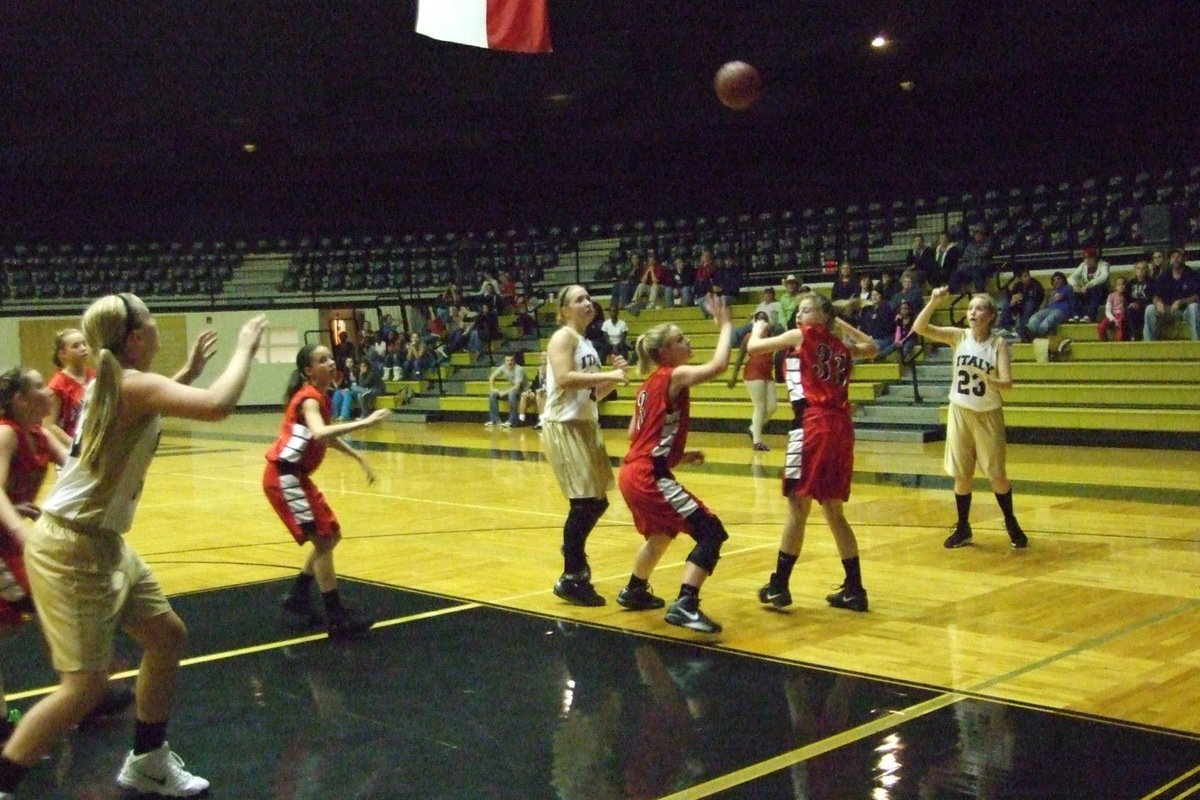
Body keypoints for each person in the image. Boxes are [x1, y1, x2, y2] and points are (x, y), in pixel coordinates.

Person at [0, 294, 266, 799]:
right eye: (150, 318)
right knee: (84, 688)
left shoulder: (114, 382)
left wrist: (185, 372)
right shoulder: (127, 383)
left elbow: (152, 403)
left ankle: (148, 760)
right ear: (137, 338)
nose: (157, 323)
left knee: (167, 636)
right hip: (73, 549)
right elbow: (217, 406)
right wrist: (246, 348)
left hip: (102, 542)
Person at [748, 294, 878, 612]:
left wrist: (758, 326)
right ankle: (854, 588)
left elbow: (753, 349)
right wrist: (839, 323)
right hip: (841, 428)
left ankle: (779, 585)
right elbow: (873, 347)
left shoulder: (802, 336)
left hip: (812, 425)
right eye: (799, 309)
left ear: (821, 317)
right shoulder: (840, 346)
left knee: (797, 505)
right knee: (834, 511)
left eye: (807, 309)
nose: (799, 314)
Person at [615, 296, 734, 633]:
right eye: (680, 339)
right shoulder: (673, 374)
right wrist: (725, 325)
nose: (688, 341)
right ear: (663, 354)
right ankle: (685, 603)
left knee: (661, 533)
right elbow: (719, 367)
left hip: (632, 471)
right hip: (648, 474)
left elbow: (633, 433)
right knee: (712, 532)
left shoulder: (646, 386)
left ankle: (635, 590)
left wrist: (678, 455)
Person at [267, 344, 391, 641]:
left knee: (331, 534)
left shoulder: (319, 397)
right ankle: (336, 617)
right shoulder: (309, 399)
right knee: (323, 540)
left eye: (330, 358)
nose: (330, 363)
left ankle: (298, 595)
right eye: (322, 360)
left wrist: (358, 457)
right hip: (285, 477)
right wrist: (365, 422)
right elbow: (320, 433)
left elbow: (326, 437)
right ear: (308, 371)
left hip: (295, 476)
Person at [912, 287, 1028, 549]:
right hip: (960, 411)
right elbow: (920, 327)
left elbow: (1008, 383)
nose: (973, 312)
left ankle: (1010, 521)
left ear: (990, 316)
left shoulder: (998, 344)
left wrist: (992, 380)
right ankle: (963, 527)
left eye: (979, 308)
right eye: (970, 308)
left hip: (988, 414)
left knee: (997, 475)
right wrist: (933, 301)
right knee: (961, 474)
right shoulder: (958, 336)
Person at [541, 285, 629, 607]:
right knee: (583, 503)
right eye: (579, 299)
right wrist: (608, 374)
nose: (587, 302)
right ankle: (571, 576)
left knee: (598, 501)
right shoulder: (563, 337)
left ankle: (572, 547)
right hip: (564, 426)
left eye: (588, 298)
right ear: (564, 311)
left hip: (585, 423)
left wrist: (614, 378)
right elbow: (564, 379)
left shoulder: (588, 343)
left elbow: (592, 395)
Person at [43, 329, 94, 449]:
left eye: (84, 344)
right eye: (75, 346)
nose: (83, 348)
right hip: (70, 450)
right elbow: (49, 425)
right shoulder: (57, 385)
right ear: (62, 354)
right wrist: (75, 446)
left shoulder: (94, 377)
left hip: (94, 445)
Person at [1144, 248, 1199, 341]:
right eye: (1173, 257)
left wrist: (1181, 302)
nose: (1175, 259)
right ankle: (1149, 347)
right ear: (1170, 260)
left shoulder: (1192, 274)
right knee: (1150, 309)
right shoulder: (1165, 275)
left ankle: (1197, 345)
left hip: (1185, 311)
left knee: (1194, 307)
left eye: (1178, 257)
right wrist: (1158, 302)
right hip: (1168, 310)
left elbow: (1197, 297)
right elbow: (1156, 295)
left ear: (1184, 259)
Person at [742, 312, 777, 451]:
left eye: (765, 319)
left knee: (772, 406)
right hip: (753, 372)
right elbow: (740, 357)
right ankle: (757, 441)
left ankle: (752, 428)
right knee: (760, 407)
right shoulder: (749, 337)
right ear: (754, 322)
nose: (763, 321)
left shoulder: (772, 337)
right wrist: (733, 376)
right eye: (759, 319)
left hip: (767, 373)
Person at [997, 266, 1045, 340]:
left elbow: (1035, 298)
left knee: (1029, 304)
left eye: (1028, 275)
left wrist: (1022, 297)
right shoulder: (1018, 285)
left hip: (1033, 304)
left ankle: (1023, 329)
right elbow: (1011, 295)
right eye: (1025, 276)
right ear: (1020, 278)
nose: (1027, 278)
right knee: (1006, 303)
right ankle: (1005, 327)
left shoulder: (1035, 284)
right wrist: (1012, 300)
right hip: (1021, 304)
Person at [1025, 271, 1075, 341]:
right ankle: (1033, 336)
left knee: (1044, 324)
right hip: (1049, 309)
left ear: (1063, 280)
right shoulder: (1051, 292)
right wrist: (1046, 297)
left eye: (1058, 279)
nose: (1056, 281)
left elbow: (1059, 297)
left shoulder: (1068, 288)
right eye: (1054, 280)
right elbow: (1043, 306)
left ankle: (1039, 339)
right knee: (1033, 321)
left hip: (1062, 311)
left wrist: (1052, 293)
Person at [1066, 246, 1110, 322]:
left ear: (1095, 258)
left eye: (1089, 258)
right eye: (1085, 258)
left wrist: (1088, 286)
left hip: (1102, 293)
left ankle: (1090, 316)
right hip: (1087, 292)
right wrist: (1075, 286)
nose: (1087, 261)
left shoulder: (1104, 265)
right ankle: (1075, 315)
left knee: (1096, 288)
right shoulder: (1083, 265)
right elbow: (1070, 278)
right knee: (1071, 290)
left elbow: (1103, 277)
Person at [950, 224, 994, 294]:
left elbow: (983, 253)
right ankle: (955, 294)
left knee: (976, 272)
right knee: (956, 273)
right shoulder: (970, 244)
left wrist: (973, 254)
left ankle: (981, 293)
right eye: (976, 234)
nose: (977, 235)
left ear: (983, 234)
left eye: (979, 233)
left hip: (982, 267)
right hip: (970, 267)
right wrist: (975, 254)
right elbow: (965, 256)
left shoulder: (988, 243)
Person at [486, 354, 526, 429]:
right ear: (505, 362)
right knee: (492, 394)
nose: (509, 362)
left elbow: (517, 387)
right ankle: (495, 420)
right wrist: (492, 388)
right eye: (507, 360)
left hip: (523, 391)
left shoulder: (519, 369)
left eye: (511, 360)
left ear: (514, 361)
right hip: (513, 390)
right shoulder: (503, 367)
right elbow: (492, 377)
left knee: (511, 394)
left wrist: (504, 392)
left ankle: (512, 420)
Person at [1124, 260, 1153, 341]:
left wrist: (1139, 304)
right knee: (1130, 311)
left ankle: (1137, 336)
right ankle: (1132, 336)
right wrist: (1131, 304)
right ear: (1135, 270)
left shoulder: (1151, 282)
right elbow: (1126, 297)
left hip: (1145, 307)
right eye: (1138, 268)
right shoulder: (1130, 283)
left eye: (1143, 268)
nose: (1141, 270)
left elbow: (1152, 298)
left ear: (1147, 270)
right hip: (1132, 307)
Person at [520, 351, 548, 429]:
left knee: (539, 393)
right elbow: (535, 383)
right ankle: (521, 420)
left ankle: (541, 421)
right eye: (542, 356)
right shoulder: (539, 369)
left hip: (549, 392)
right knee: (524, 395)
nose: (544, 358)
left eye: (546, 356)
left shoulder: (553, 368)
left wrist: (541, 390)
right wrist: (530, 390)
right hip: (539, 391)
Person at [1097, 276, 1129, 342]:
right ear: (1115, 287)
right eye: (1119, 284)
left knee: (1120, 324)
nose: (1121, 286)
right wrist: (1113, 319)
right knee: (1101, 326)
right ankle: (1104, 342)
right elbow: (1108, 310)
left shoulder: (1128, 296)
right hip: (1112, 316)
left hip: (1122, 316)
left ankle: (1119, 342)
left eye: (1123, 284)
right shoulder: (1111, 296)